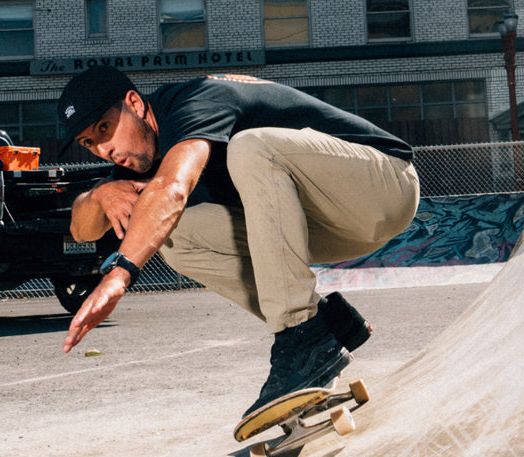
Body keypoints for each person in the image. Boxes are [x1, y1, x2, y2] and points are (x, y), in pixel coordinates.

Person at [58, 66, 419, 416]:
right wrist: (100, 195)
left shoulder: (194, 101)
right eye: (90, 142)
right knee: (176, 237)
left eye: (106, 128)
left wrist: (119, 275)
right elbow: (80, 230)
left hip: (383, 185)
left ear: (135, 104)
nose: (104, 148)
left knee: (250, 146)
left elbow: (173, 187)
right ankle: (323, 325)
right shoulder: (131, 162)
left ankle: (299, 332)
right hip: (327, 226)